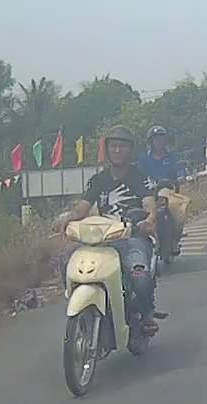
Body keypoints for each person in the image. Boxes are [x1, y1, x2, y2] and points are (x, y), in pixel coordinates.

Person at [59, 125, 166, 333]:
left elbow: (148, 203)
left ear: (130, 150)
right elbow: (82, 207)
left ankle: (146, 314)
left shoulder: (139, 177)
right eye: (113, 146)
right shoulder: (98, 180)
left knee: (140, 277)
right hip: (102, 241)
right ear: (107, 150)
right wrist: (67, 219)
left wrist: (149, 219)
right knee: (66, 260)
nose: (117, 150)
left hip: (133, 238)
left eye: (122, 146)